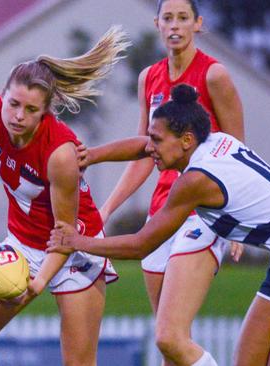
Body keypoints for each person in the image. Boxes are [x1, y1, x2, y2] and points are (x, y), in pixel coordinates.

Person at [50, 84, 270, 366]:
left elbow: (141, 244)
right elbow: (142, 146)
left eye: (156, 139)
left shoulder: (195, 181)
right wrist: (91, 154)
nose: (149, 147)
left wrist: (77, 242)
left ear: (185, 141)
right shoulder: (210, 140)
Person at [0, 26, 129, 366]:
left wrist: (38, 282)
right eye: (13, 104)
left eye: (31, 110)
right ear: (2, 95)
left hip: (73, 249)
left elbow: (65, 234)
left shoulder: (60, 155)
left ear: (46, 113)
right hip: (24, 244)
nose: (18, 116)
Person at [78, 0, 244, 364]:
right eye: (168, 18)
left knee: (171, 334)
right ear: (157, 23)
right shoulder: (149, 78)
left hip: (204, 210)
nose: (175, 26)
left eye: (183, 18)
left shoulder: (214, 75)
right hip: (163, 212)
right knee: (169, 344)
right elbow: (144, 151)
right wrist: (106, 209)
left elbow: (239, 153)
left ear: (197, 24)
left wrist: (236, 224)